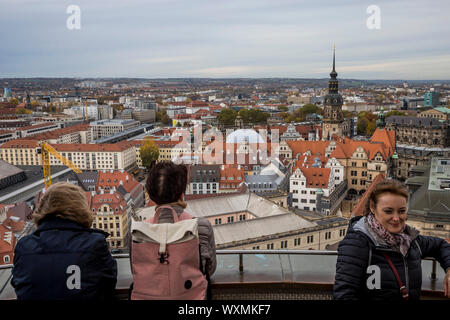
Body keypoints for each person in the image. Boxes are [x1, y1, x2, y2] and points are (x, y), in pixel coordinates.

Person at [333, 179, 450, 300]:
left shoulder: (409, 240)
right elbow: (343, 295)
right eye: (388, 211)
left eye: (401, 211)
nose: (396, 218)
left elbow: (441, 245)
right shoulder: (357, 244)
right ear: (373, 207)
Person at [11, 182, 117, 300]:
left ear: (41, 209)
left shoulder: (24, 247)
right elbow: (109, 284)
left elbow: (19, 286)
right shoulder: (94, 244)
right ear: (81, 208)